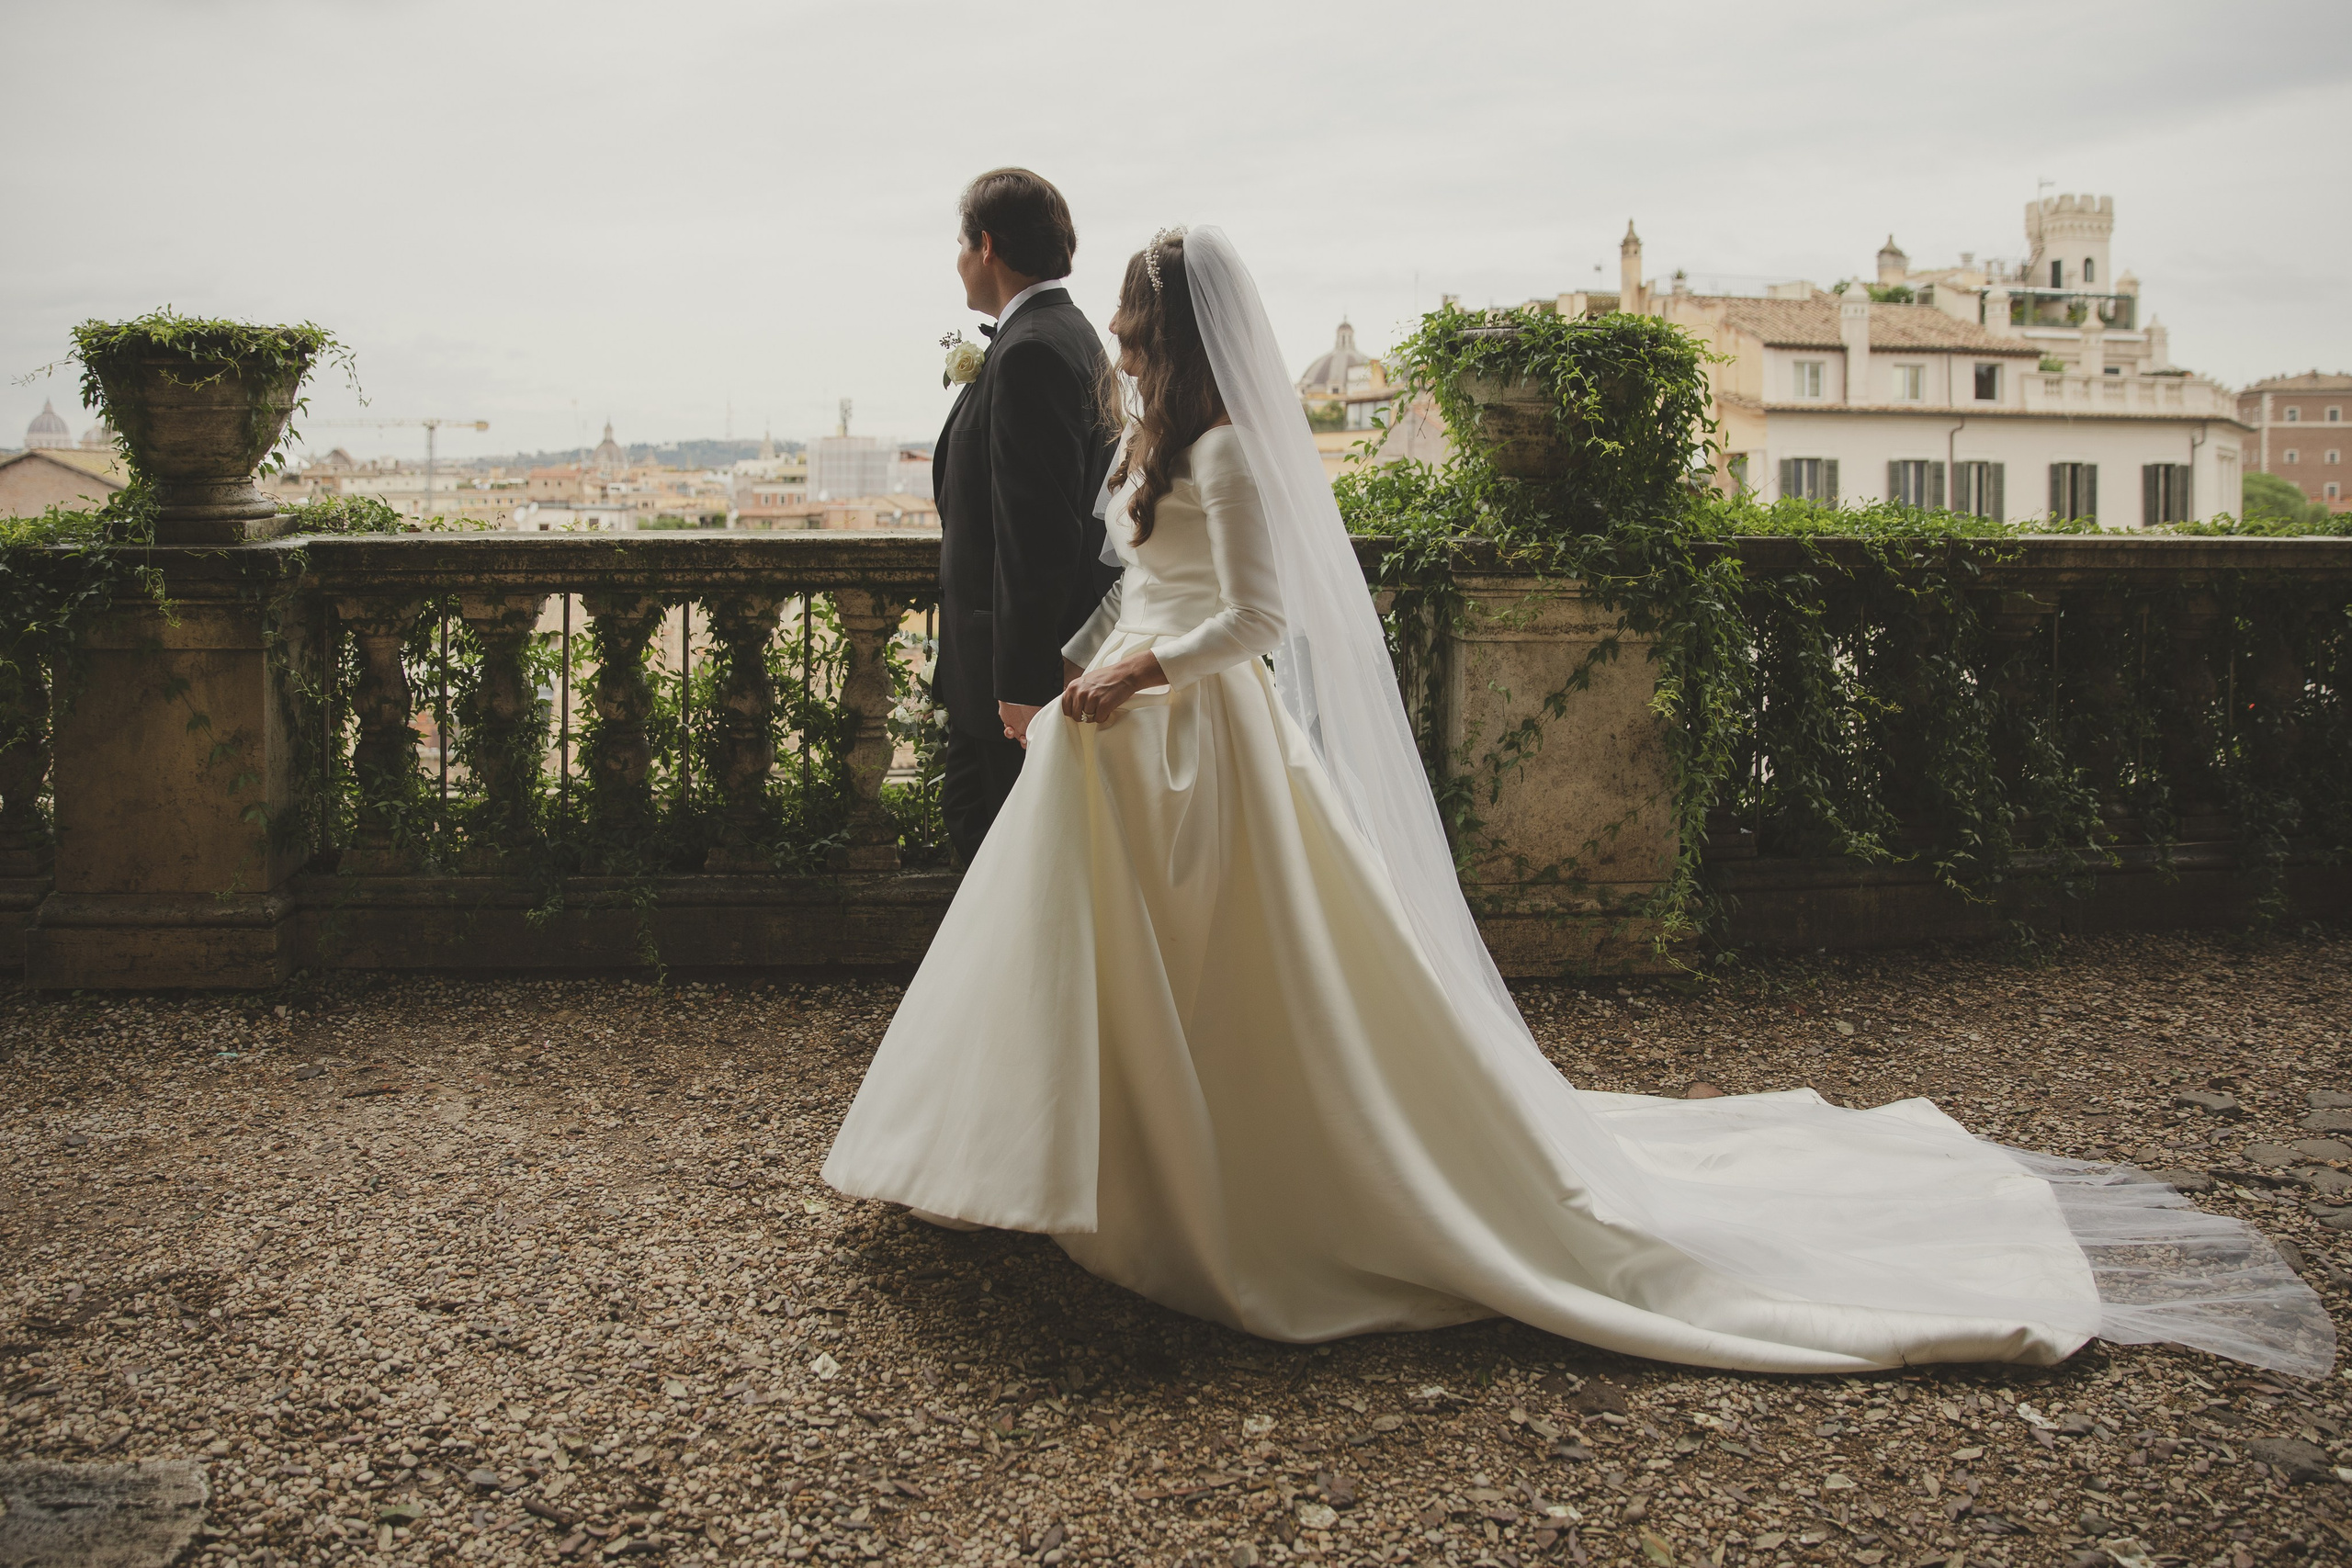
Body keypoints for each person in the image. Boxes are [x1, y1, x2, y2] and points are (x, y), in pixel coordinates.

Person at [825, 227, 2332, 1379]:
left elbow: (1255, 623)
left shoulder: (1222, 447)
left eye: (1145, 334)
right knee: (1101, 971)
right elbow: (1153, 583)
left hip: (1202, 746)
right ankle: (1049, 1161)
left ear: (1185, 337)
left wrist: (1138, 672)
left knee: (1242, 986)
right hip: (1128, 745)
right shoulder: (1162, 436)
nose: (1129, 353)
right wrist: (1102, 667)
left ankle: (1218, 1179)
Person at [932, 167, 1120, 864]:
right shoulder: (1066, 332)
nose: (956, 260)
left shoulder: (1032, 351)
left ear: (987, 246)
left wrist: (1022, 687)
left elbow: (1037, 538)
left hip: (1012, 685)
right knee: (990, 845)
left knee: (1000, 853)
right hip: (1009, 670)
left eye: (959, 242)